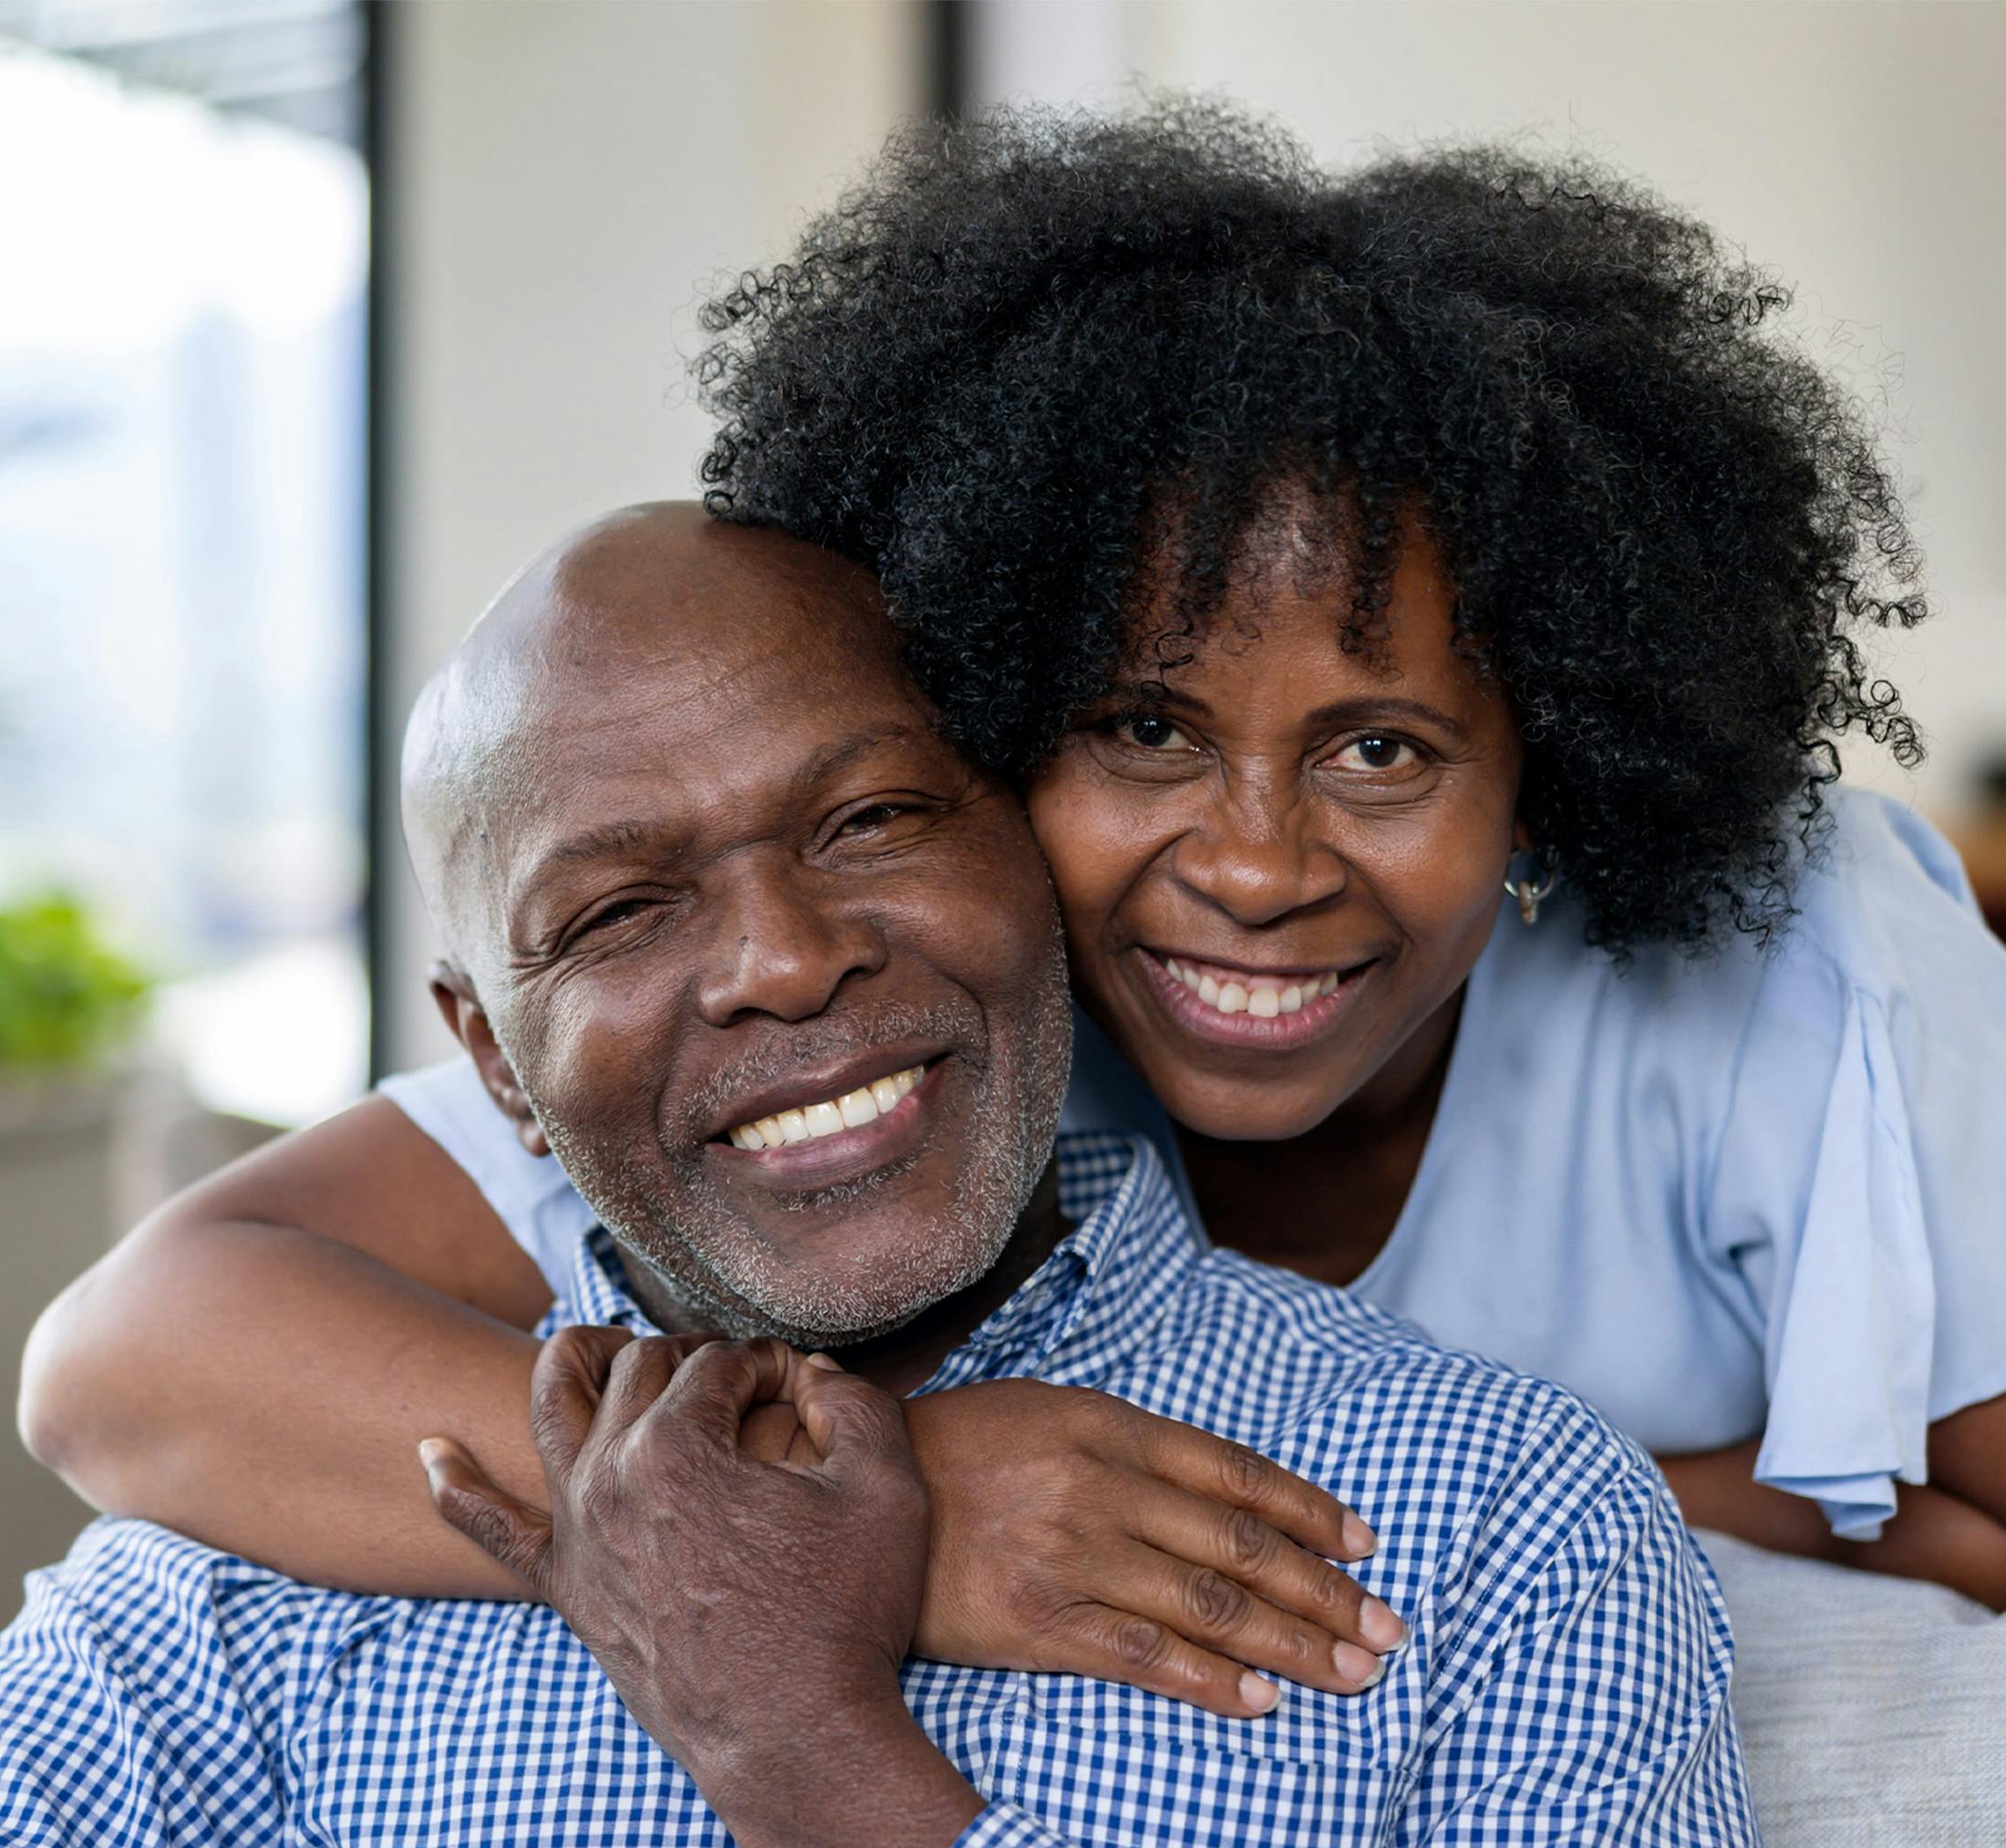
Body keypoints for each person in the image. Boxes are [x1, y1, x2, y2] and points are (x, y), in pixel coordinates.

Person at [23, 106, 2006, 1616]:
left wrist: (1562, 1504)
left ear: (1555, 758)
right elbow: (126, 1358)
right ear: (979, 720)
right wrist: (903, 1502)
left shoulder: (1789, 957)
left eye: (1382, 749)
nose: (1249, 864)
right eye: (1137, 727)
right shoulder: (907, 1024)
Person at [0, 508, 1786, 1848]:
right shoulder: (257, 1572)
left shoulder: (1505, 1524)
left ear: (1034, 847)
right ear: (492, 1063)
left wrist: (829, 1772)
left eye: (867, 820)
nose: (780, 958)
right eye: (620, 910)